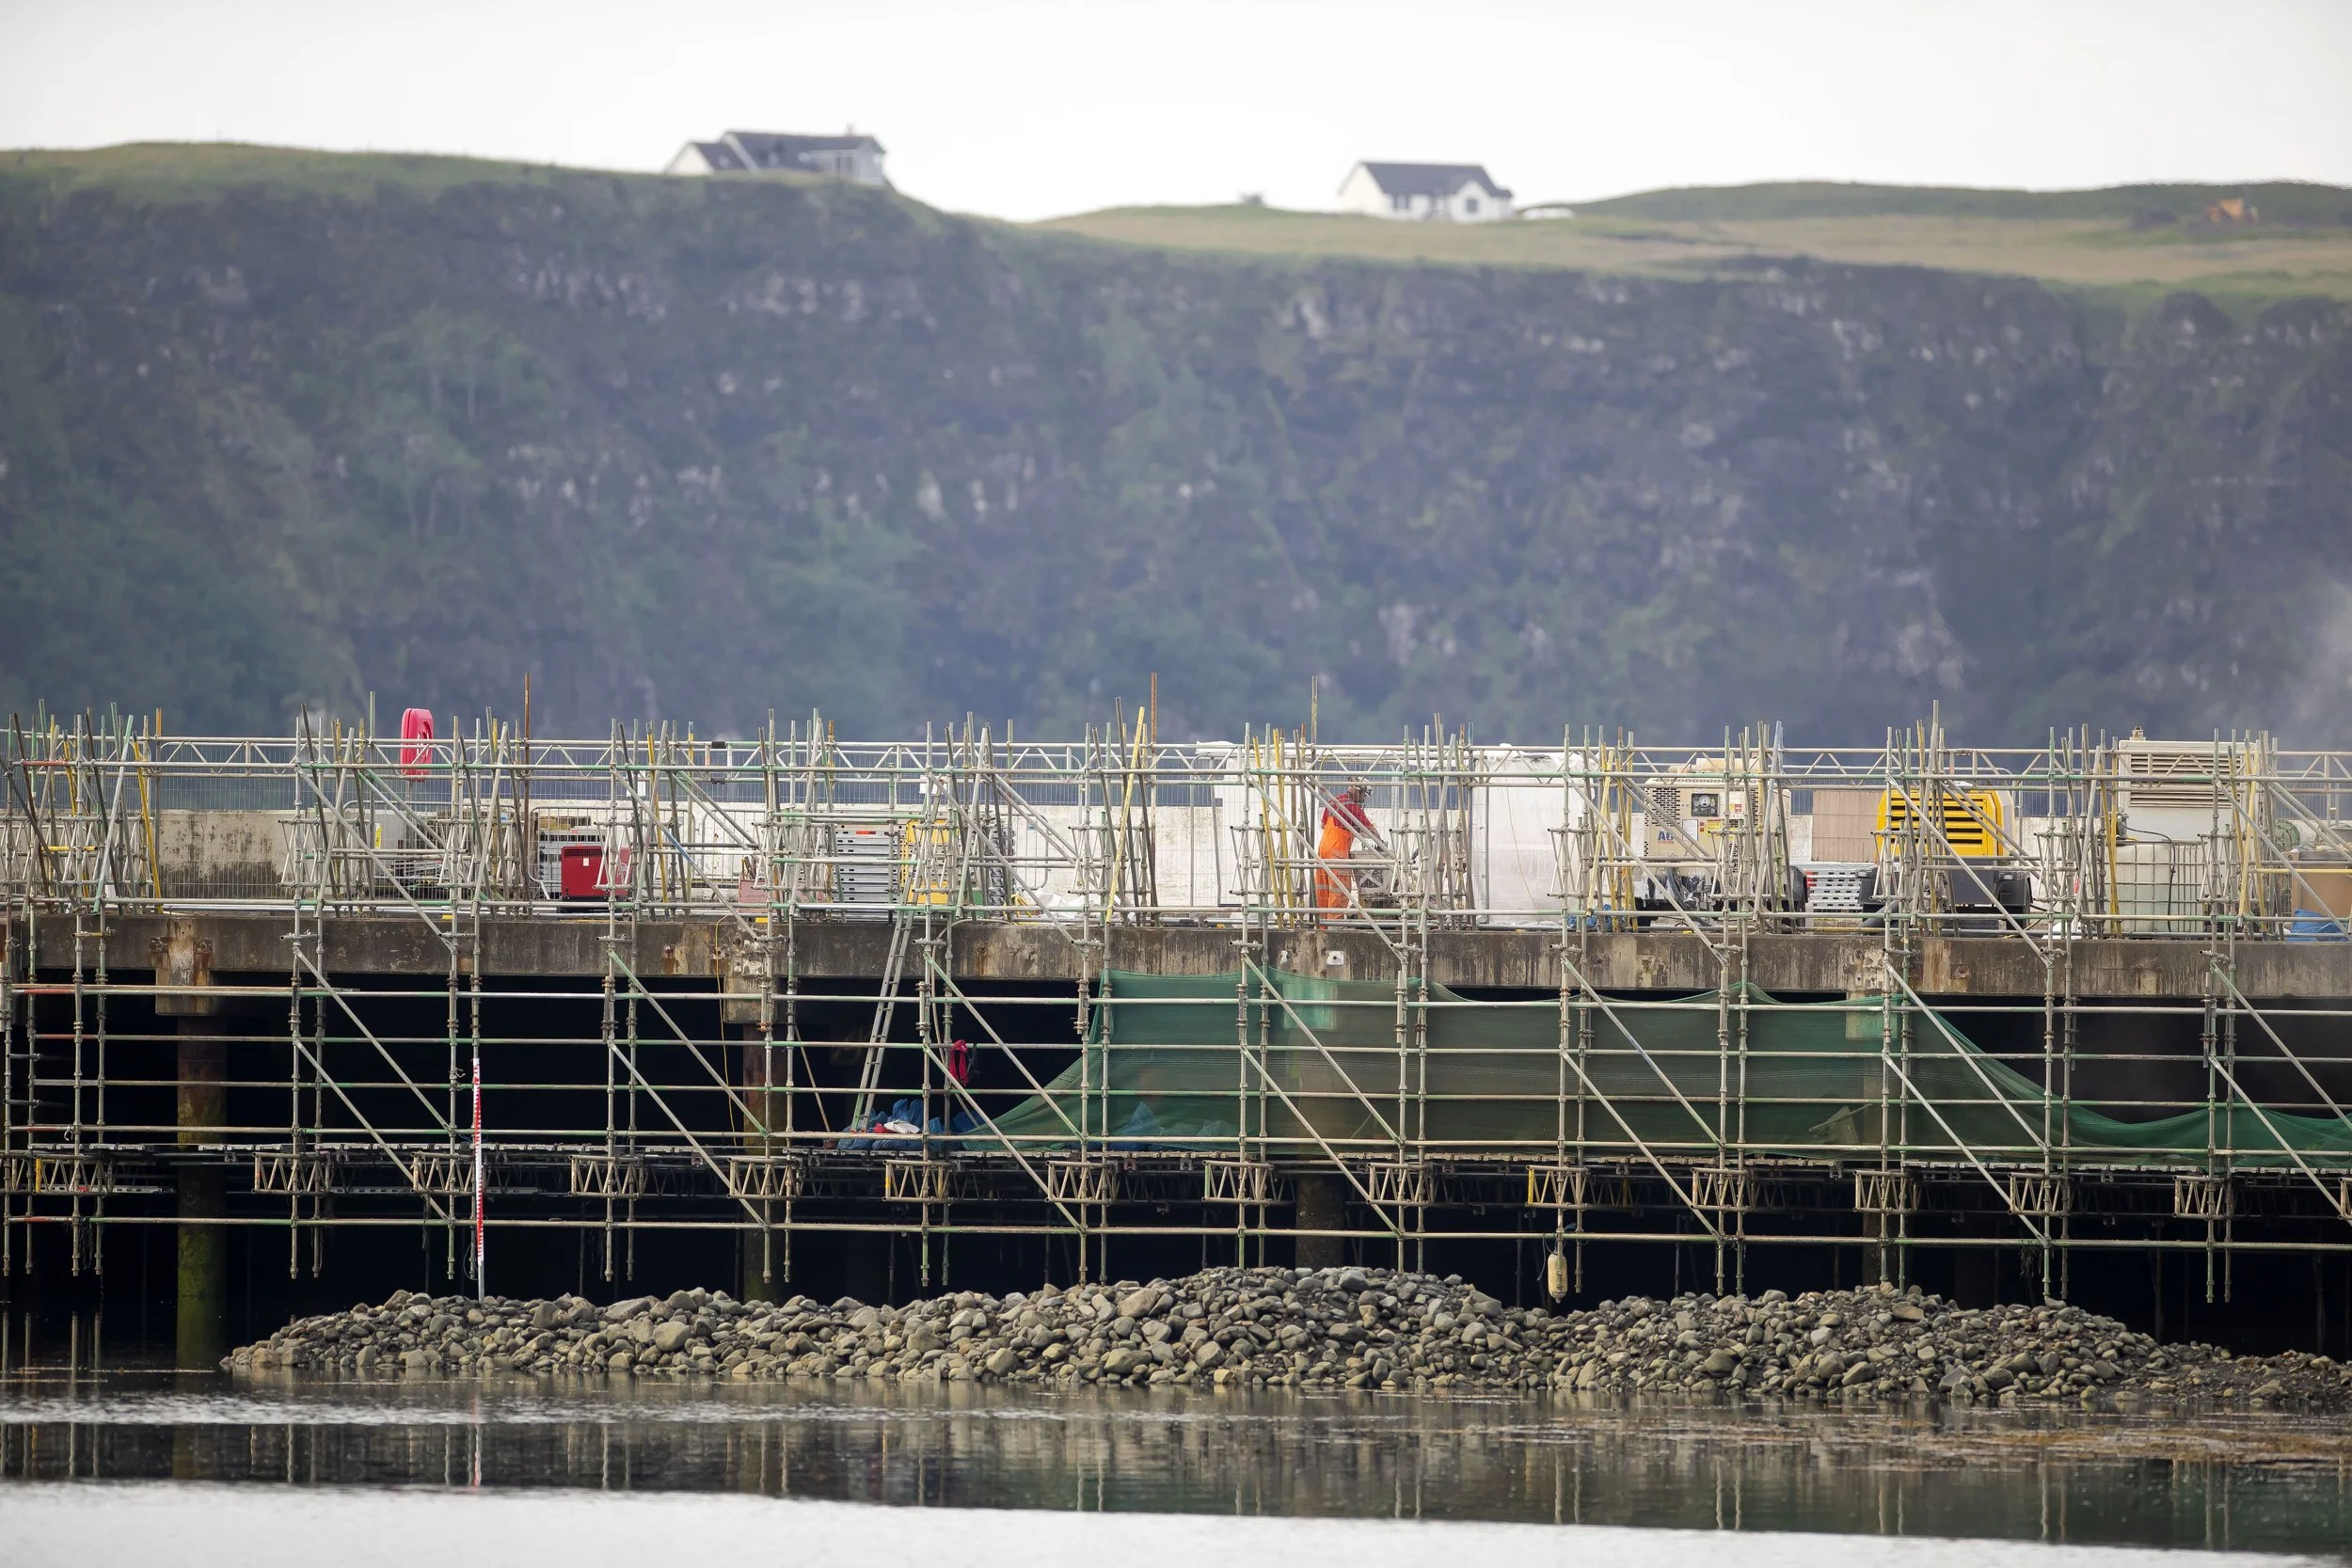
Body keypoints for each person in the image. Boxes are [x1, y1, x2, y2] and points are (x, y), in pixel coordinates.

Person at [1313, 783, 1381, 915]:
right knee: (1340, 891)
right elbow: (1370, 830)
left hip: (1323, 850)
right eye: (1363, 796)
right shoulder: (1352, 806)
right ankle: (1335, 926)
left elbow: (1323, 824)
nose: (1363, 799)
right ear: (1358, 792)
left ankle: (1322, 925)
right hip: (1337, 852)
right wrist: (1381, 844)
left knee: (1324, 891)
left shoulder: (1334, 801)